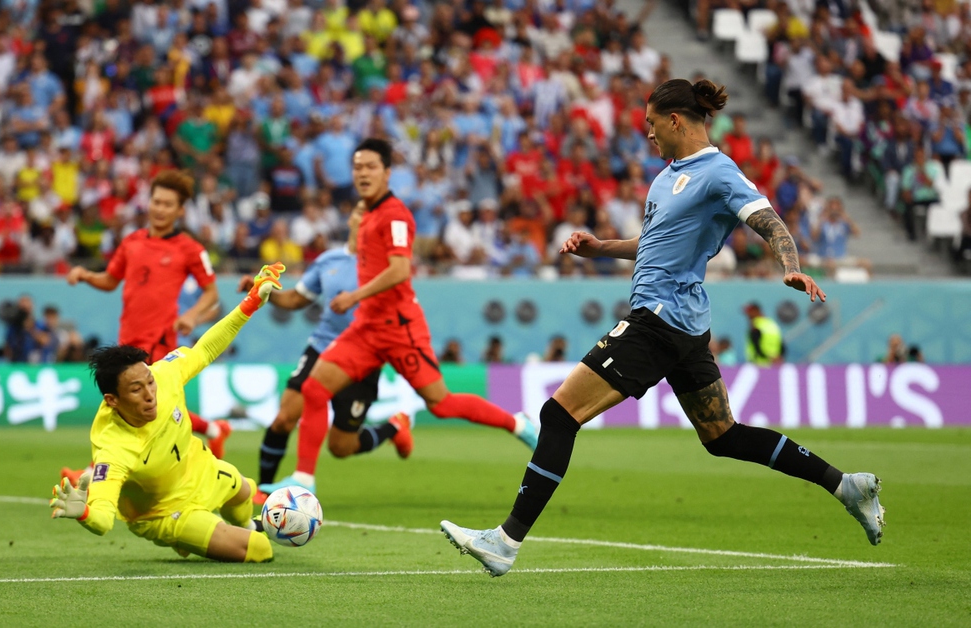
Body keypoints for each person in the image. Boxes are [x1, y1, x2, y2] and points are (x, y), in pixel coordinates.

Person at [441, 79, 884, 577]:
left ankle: (505, 541)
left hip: (658, 320)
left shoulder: (719, 172)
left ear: (676, 120)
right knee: (723, 436)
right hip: (685, 326)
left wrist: (790, 264)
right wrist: (600, 248)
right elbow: (653, 242)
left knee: (558, 414)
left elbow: (770, 222)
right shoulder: (666, 177)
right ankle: (846, 486)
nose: (647, 134)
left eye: (652, 123)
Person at [280, 138, 537, 495]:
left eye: (371, 167)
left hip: (400, 328)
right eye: (357, 167)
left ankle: (516, 423)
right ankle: (303, 480)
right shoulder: (367, 215)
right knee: (313, 387)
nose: (362, 173)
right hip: (366, 328)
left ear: (387, 172)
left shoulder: (395, 214)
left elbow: (400, 270)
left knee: (442, 404)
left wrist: (353, 295)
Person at [49, 264, 286, 563]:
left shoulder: (165, 374)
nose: (150, 395)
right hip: (163, 511)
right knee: (260, 550)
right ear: (113, 400)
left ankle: (244, 524)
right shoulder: (113, 448)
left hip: (196, 468)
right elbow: (104, 520)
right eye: (136, 390)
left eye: (149, 381)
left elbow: (207, 348)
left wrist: (251, 302)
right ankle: (202, 533)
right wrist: (83, 512)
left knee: (242, 489)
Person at [62, 171, 230, 486]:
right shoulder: (132, 241)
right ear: (148, 202)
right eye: (156, 201)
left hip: (159, 340)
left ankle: (91, 473)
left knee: (128, 402)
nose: (160, 209)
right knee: (154, 404)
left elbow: (213, 293)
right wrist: (86, 274)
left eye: (169, 204)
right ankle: (213, 429)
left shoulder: (189, 248)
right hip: (129, 337)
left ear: (181, 211)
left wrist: (192, 317)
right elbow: (111, 280)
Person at [246, 203, 410, 503]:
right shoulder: (329, 261)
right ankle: (263, 488)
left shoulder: (385, 266)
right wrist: (265, 293)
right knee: (284, 418)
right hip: (323, 347)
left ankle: (395, 426)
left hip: (363, 358)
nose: (365, 218)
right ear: (350, 217)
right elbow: (297, 299)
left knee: (341, 447)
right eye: (361, 211)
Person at [743, 302, 784, 366]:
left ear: (756, 311)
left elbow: (756, 343)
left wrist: (765, 357)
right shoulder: (772, 323)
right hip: (774, 363)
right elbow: (781, 343)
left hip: (758, 363)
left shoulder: (755, 324)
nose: (747, 315)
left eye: (749, 312)